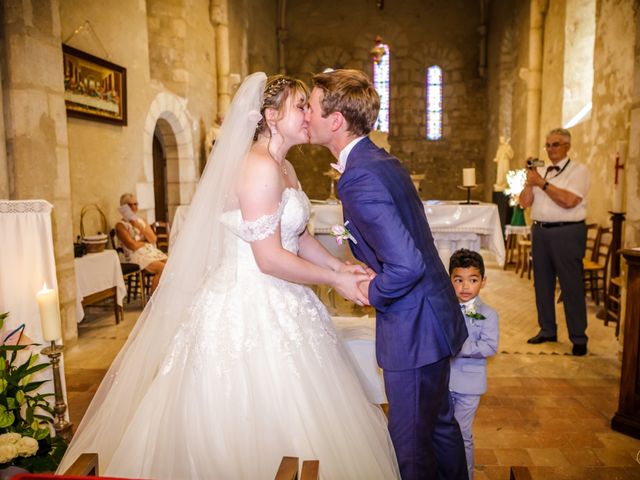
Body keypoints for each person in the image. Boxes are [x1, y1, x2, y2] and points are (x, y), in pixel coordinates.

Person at [56, 73, 400, 479]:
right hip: (247, 300)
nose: (311, 113)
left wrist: (339, 266)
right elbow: (269, 258)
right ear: (272, 116)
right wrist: (335, 282)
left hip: (285, 299)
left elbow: (297, 235)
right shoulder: (257, 167)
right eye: (301, 105)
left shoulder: (285, 167)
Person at [306, 68, 468, 480]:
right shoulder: (379, 160)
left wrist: (369, 290)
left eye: (310, 107)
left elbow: (407, 264)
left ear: (336, 120)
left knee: (411, 445)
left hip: (413, 327)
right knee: (440, 427)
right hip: (433, 315)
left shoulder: (359, 176)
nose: (306, 114)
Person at [519, 127, 590, 356]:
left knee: (571, 285)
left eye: (556, 144)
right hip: (540, 231)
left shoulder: (579, 171)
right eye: (548, 145)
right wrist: (530, 181)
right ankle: (547, 329)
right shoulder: (541, 172)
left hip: (567, 232)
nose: (550, 149)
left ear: (567, 146)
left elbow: (569, 201)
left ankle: (578, 336)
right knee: (542, 283)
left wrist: (541, 183)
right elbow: (524, 203)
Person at [448, 249, 499, 480]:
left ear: (483, 282)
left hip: (469, 385)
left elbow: (489, 347)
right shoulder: (445, 310)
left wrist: (461, 346)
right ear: (450, 281)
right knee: (444, 432)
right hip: (443, 381)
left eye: (473, 280)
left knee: (462, 433)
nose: (465, 287)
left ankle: (464, 476)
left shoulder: (488, 314)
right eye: (458, 280)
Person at [115, 193, 167, 294]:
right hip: (135, 255)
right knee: (162, 268)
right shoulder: (120, 226)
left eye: (136, 204)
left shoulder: (142, 221)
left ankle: (165, 296)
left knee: (171, 264)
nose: (134, 207)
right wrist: (145, 242)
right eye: (130, 205)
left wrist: (139, 226)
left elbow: (152, 239)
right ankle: (153, 301)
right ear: (123, 207)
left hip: (149, 251)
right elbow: (132, 246)